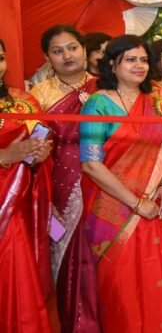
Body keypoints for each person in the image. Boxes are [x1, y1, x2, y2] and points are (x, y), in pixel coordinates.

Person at [80, 35, 162, 331]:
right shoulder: (97, 104)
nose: (139, 66)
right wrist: (137, 204)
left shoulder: (156, 102)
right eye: (131, 59)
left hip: (153, 205)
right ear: (113, 63)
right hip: (112, 210)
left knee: (155, 279)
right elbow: (91, 164)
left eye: (144, 60)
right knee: (120, 288)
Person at [29, 25, 100, 333]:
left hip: (106, 182)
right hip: (58, 186)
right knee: (67, 252)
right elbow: (34, 145)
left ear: (84, 49)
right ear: (47, 58)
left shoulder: (105, 88)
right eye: (57, 51)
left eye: (72, 47)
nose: (67, 56)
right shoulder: (38, 95)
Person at [0, 38, 54, 332]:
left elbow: (39, 138)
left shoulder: (23, 100)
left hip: (13, 199)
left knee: (14, 271)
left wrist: (38, 155)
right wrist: (4, 156)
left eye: (0, 58)